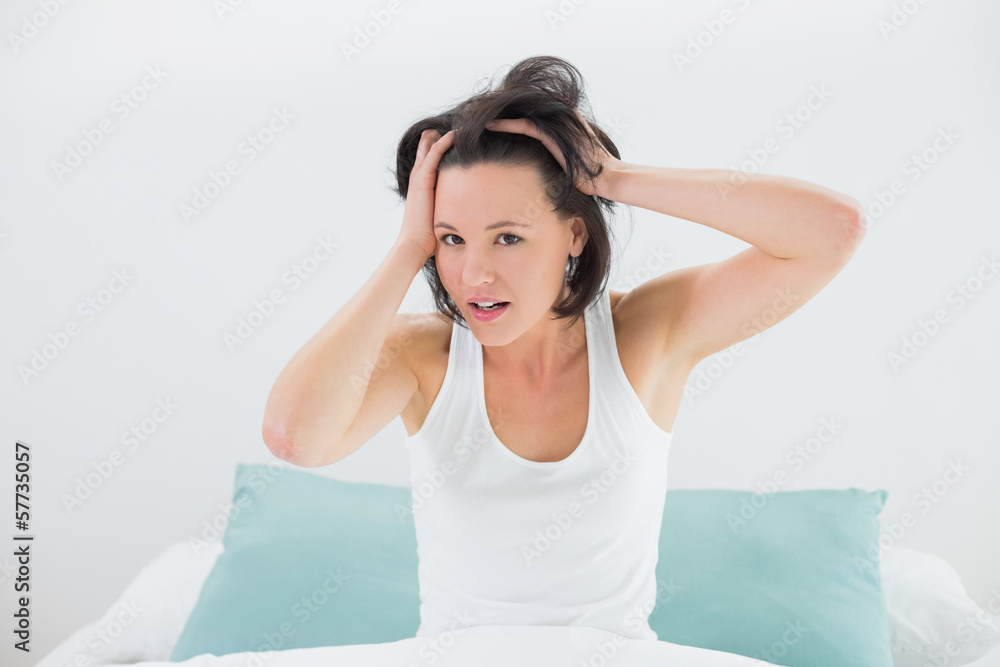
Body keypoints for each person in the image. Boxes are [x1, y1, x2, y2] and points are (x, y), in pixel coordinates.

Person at [262, 55, 864, 657]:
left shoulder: (646, 335)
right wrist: (408, 247)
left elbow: (833, 230)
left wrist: (611, 178)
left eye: (508, 237)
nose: (474, 274)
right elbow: (296, 439)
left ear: (575, 234)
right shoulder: (422, 355)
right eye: (453, 239)